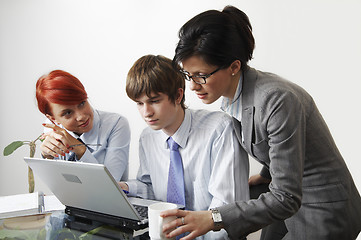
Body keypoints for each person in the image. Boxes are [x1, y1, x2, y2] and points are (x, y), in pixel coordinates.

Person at [161, 5, 361, 240]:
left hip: (323, 209)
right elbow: (282, 142)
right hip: (289, 200)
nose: (193, 86)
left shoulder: (277, 100)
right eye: (188, 75)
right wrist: (267, 174)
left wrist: (214, 217)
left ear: (234, 67)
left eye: (201, 76)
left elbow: (286, 197)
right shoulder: (235, 94)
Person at [120, 54, 249, 239]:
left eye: (154, 101)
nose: (146, 112)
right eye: (139, 104)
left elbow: (227, 207)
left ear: (178, 95)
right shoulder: (147, 137)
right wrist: (123, 187)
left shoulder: (220, 129)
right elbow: (151, 189)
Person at [36, 69, 130, 181]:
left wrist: (80, 149)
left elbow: (111, 183)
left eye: (82, 103)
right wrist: (47, 156)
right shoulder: (51, 128)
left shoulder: (116, 124)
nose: (81, 116)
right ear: (53, 119)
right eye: (68, 113)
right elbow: (57, 183)